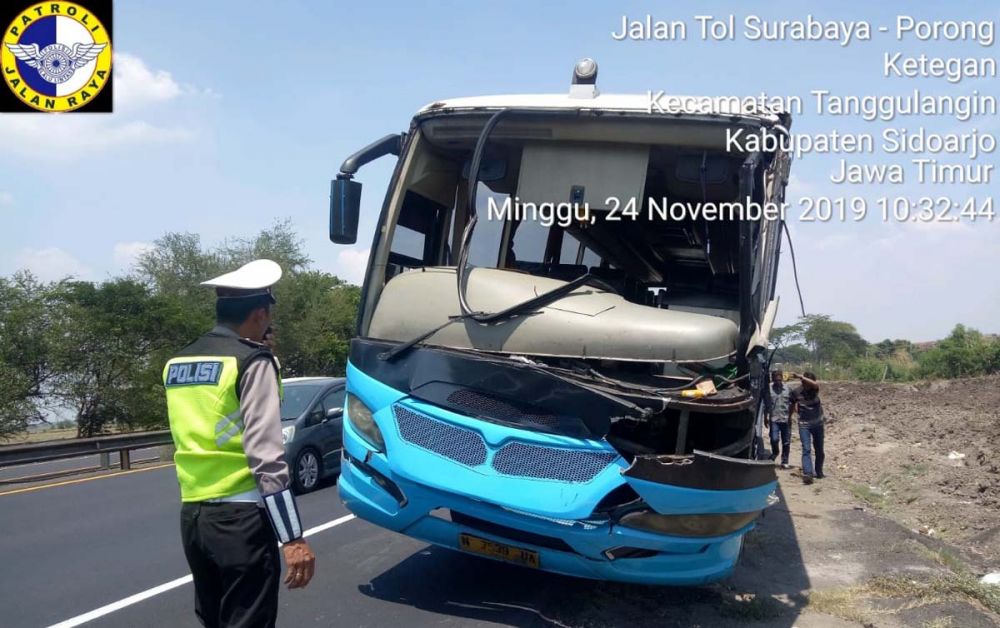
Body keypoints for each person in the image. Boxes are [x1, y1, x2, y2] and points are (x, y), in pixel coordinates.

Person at [163, 259, 316, 628]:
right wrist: (292, 538)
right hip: (241, 519)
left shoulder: (177, 362)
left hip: (195, 518)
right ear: (260, 314)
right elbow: (267, 455)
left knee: (214, 619)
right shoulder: (252, 362)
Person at [790, 371, 825, 485]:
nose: (808, 386)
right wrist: (789, 417)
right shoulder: (796, 392)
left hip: (818, 424)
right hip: (804, 425)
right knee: (806, 449)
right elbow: (791, 405)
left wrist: (801, 376)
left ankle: (819, 471)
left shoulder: (814, 390)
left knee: (819, 449)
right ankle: (808, 474)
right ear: (802, 382)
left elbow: (816, 384)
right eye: (806, 383)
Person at [763, 367, 794, 468]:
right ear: (773, 379)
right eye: (776, 380)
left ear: (782, 378)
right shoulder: (769, 389)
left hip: (785, 419)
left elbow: (793, 403)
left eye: (779, 379)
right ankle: (775, 452)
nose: (778, 381)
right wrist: (765, 417)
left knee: (786, 441)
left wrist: (790, 416)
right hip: (774, 419)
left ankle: (784, 461)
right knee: (774, 439)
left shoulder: (788, 389)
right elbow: (766, 404)